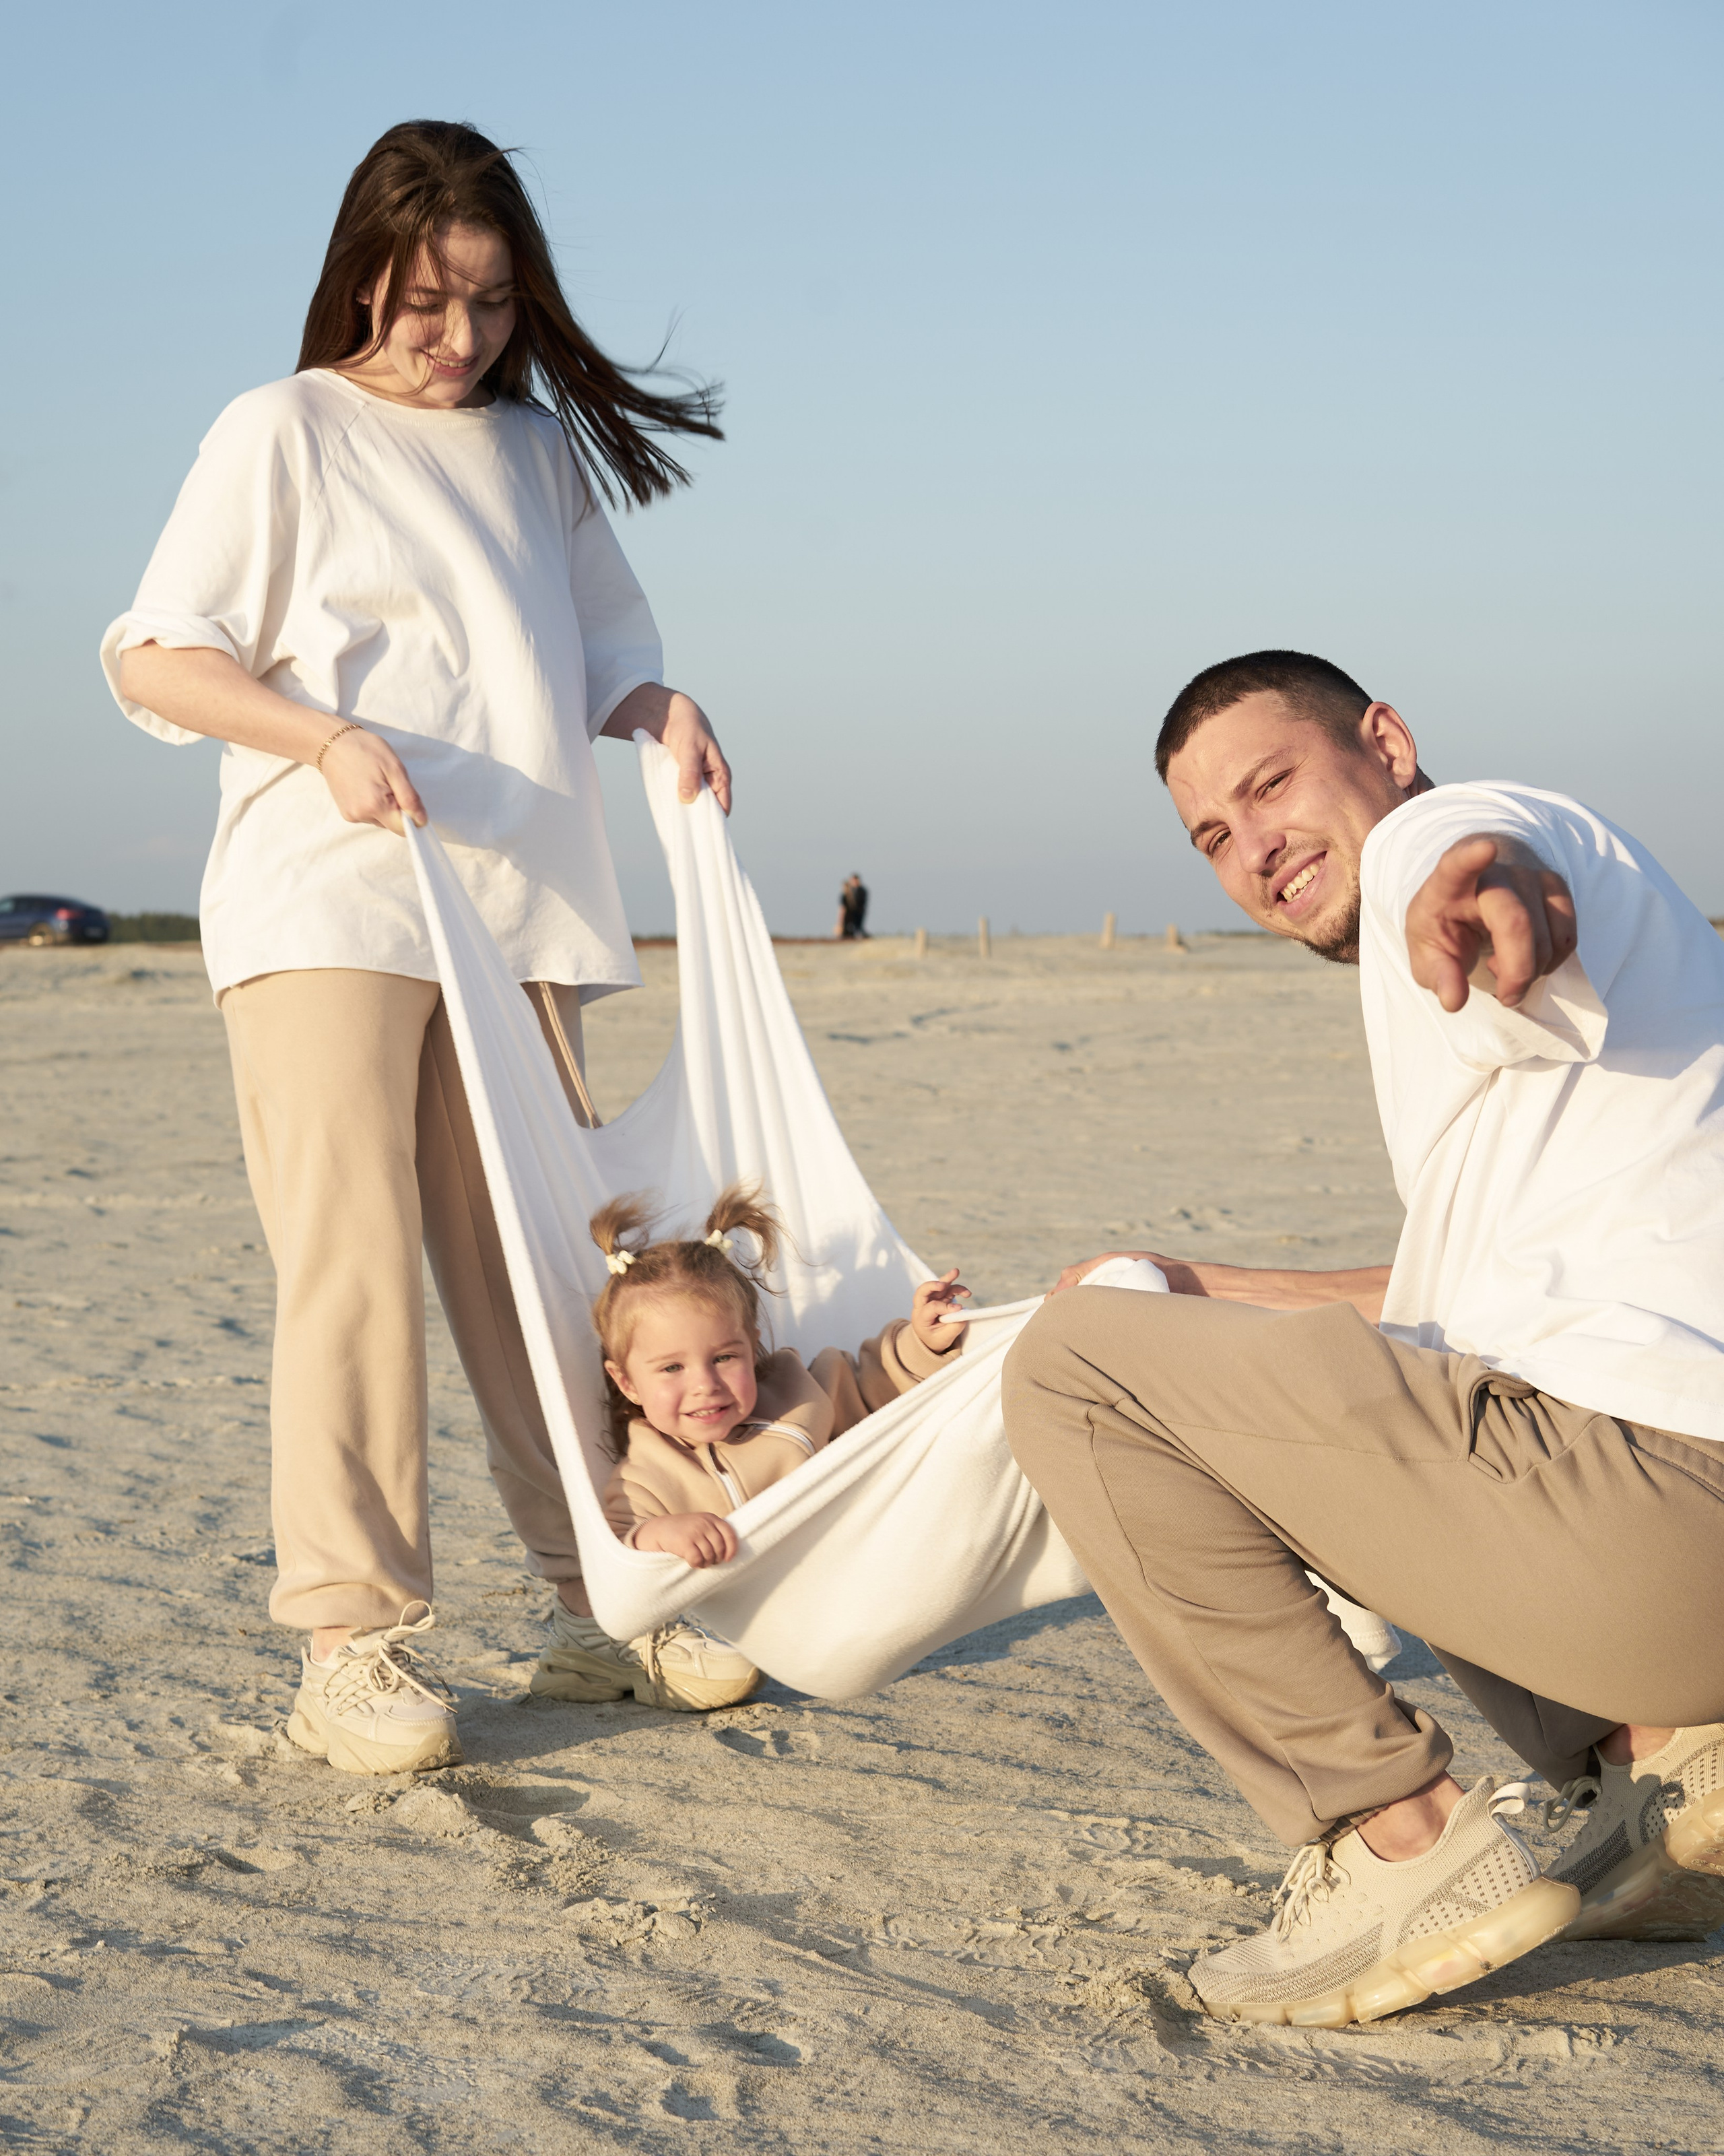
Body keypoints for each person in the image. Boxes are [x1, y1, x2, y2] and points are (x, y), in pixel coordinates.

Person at [100, 121, 734, 1779]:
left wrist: (660, 706)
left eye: (493, 305)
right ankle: (350, 1640)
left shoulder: (535, 456)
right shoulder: (284, 427)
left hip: (519, 907)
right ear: (360, 277)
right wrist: (314, 739)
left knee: (540, 1263)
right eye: (426, 303)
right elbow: (159, 654)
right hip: (329, 900)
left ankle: (600, 1601)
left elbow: (601, 655)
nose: (459, 341)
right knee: (357, 1257)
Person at [1002, 649, 1724, 2028]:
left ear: (1385, 741)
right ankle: (1665, 1763)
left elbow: (1466, 852)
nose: (1250, 845)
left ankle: (1394, 1839)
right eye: (1210, 835)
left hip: (1657, 1529)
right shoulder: (1646, 977)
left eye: (1269, 785)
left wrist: (1475, 885)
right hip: (1676, 1533)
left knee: (1069, 1367)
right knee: (1415, 1368)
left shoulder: (1437, 847)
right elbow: (1446, 1301)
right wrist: (1189, 1278)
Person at [533, 1183, 972, 1709]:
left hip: (854, 1583)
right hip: (761, 1623)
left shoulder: (795, 1397)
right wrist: (663, 1531)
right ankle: (611, 1668)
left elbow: (874, 1383)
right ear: (626, 1383)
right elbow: (622, 1551)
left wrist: (923, 1341)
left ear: (753, 1343)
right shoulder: (646, 1472)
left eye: (724, 1357)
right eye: (672, 1368)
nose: (705, 1385)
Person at [836, 872, 869, 940]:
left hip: (859, 912)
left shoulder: (862, 891)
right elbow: (843, 907)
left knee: (858, 927)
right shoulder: (848, 893)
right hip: (850, 914)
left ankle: (860, 937)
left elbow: (863, 902)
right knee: (849, 929)